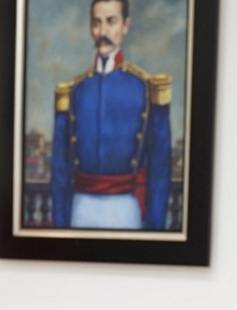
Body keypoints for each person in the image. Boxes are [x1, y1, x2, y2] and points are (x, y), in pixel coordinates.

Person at [50, 0, 172, 230]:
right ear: (90, 28)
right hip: (80, 208)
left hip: (128, 209)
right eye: (97, 23)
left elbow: (160, 168)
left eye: (111, 22)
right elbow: (60, 169)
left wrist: (155, 229)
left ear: (126, 26)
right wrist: (59, 226)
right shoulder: (74, 91)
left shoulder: (146, 88)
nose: (103, 32)